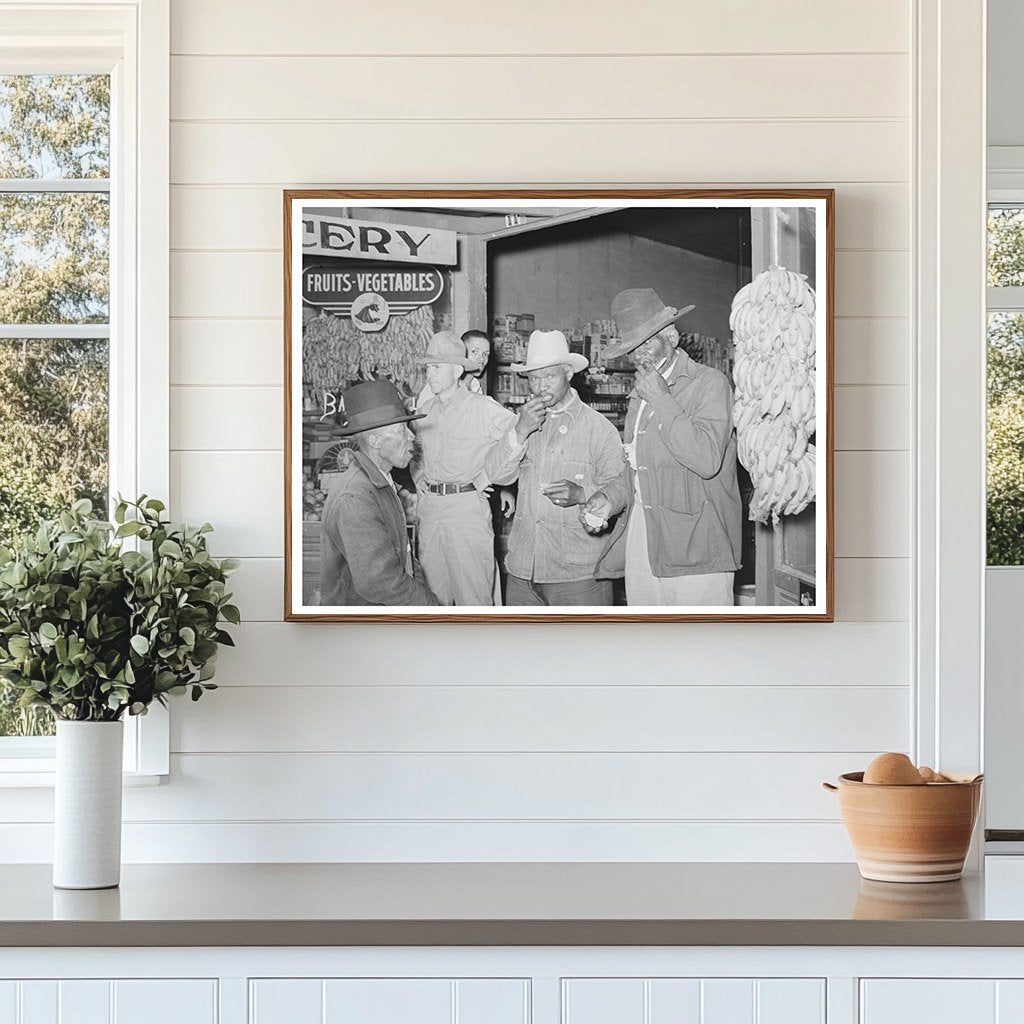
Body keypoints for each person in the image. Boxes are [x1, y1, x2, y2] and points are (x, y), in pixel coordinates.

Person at [594, 288, 742, 606]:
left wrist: (662, 399)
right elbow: (635, 469)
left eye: (648, 342)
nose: (640, 356)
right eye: (633, 348)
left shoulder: (710, 384)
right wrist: (608, 499)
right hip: (644, 540)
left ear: (672, 337)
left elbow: (706, 459)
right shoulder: (639, 395)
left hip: (697, 546)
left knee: (701, 648)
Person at [490, 330, 629, 606]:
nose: (540, 387)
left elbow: (623, 490)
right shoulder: (521, 422)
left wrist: (582, 494)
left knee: (582, 649)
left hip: (578, 576)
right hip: (522, 571)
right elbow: (496, 474)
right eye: (533, 378)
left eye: (548, 376)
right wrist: (520, 431)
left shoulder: (598, 428)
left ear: (568, 372)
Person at [411, 331, 523, 606]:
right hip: (430, 511)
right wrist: (419, 475)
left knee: (472, 597)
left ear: (457, 370)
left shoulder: (483, 408)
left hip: (466, 511)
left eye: (436, 367)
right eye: (428, 368)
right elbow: (415, 451)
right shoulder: (425, 410)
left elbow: (520, 435)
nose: (430, 374)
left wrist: (492, 475)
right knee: (432, 597)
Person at [319, 380, 438, 607]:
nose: (412, 437)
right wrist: (429, 605)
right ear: (375, 441)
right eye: (402, 430)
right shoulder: (355, 496)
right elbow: (380, 582)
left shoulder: (378, 481)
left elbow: (403, 553)